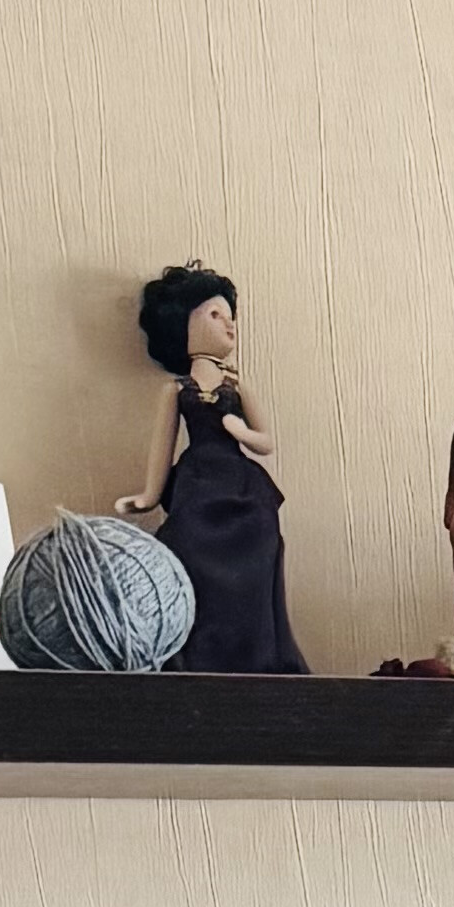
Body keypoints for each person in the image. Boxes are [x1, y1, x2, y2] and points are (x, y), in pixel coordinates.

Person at [124, 263, 305, 672]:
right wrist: (148, 497)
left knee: (260, 549)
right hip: (197, 489)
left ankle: (259, 657)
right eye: (214, 314)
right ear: (181, 324)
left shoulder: (236, 387)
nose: (229, 324)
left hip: (243, 489)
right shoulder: (176, 390)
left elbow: (266, 442)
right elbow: (162, 448)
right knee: (185, 549)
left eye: (230, 316)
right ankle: (199, 656)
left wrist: (241, 431)